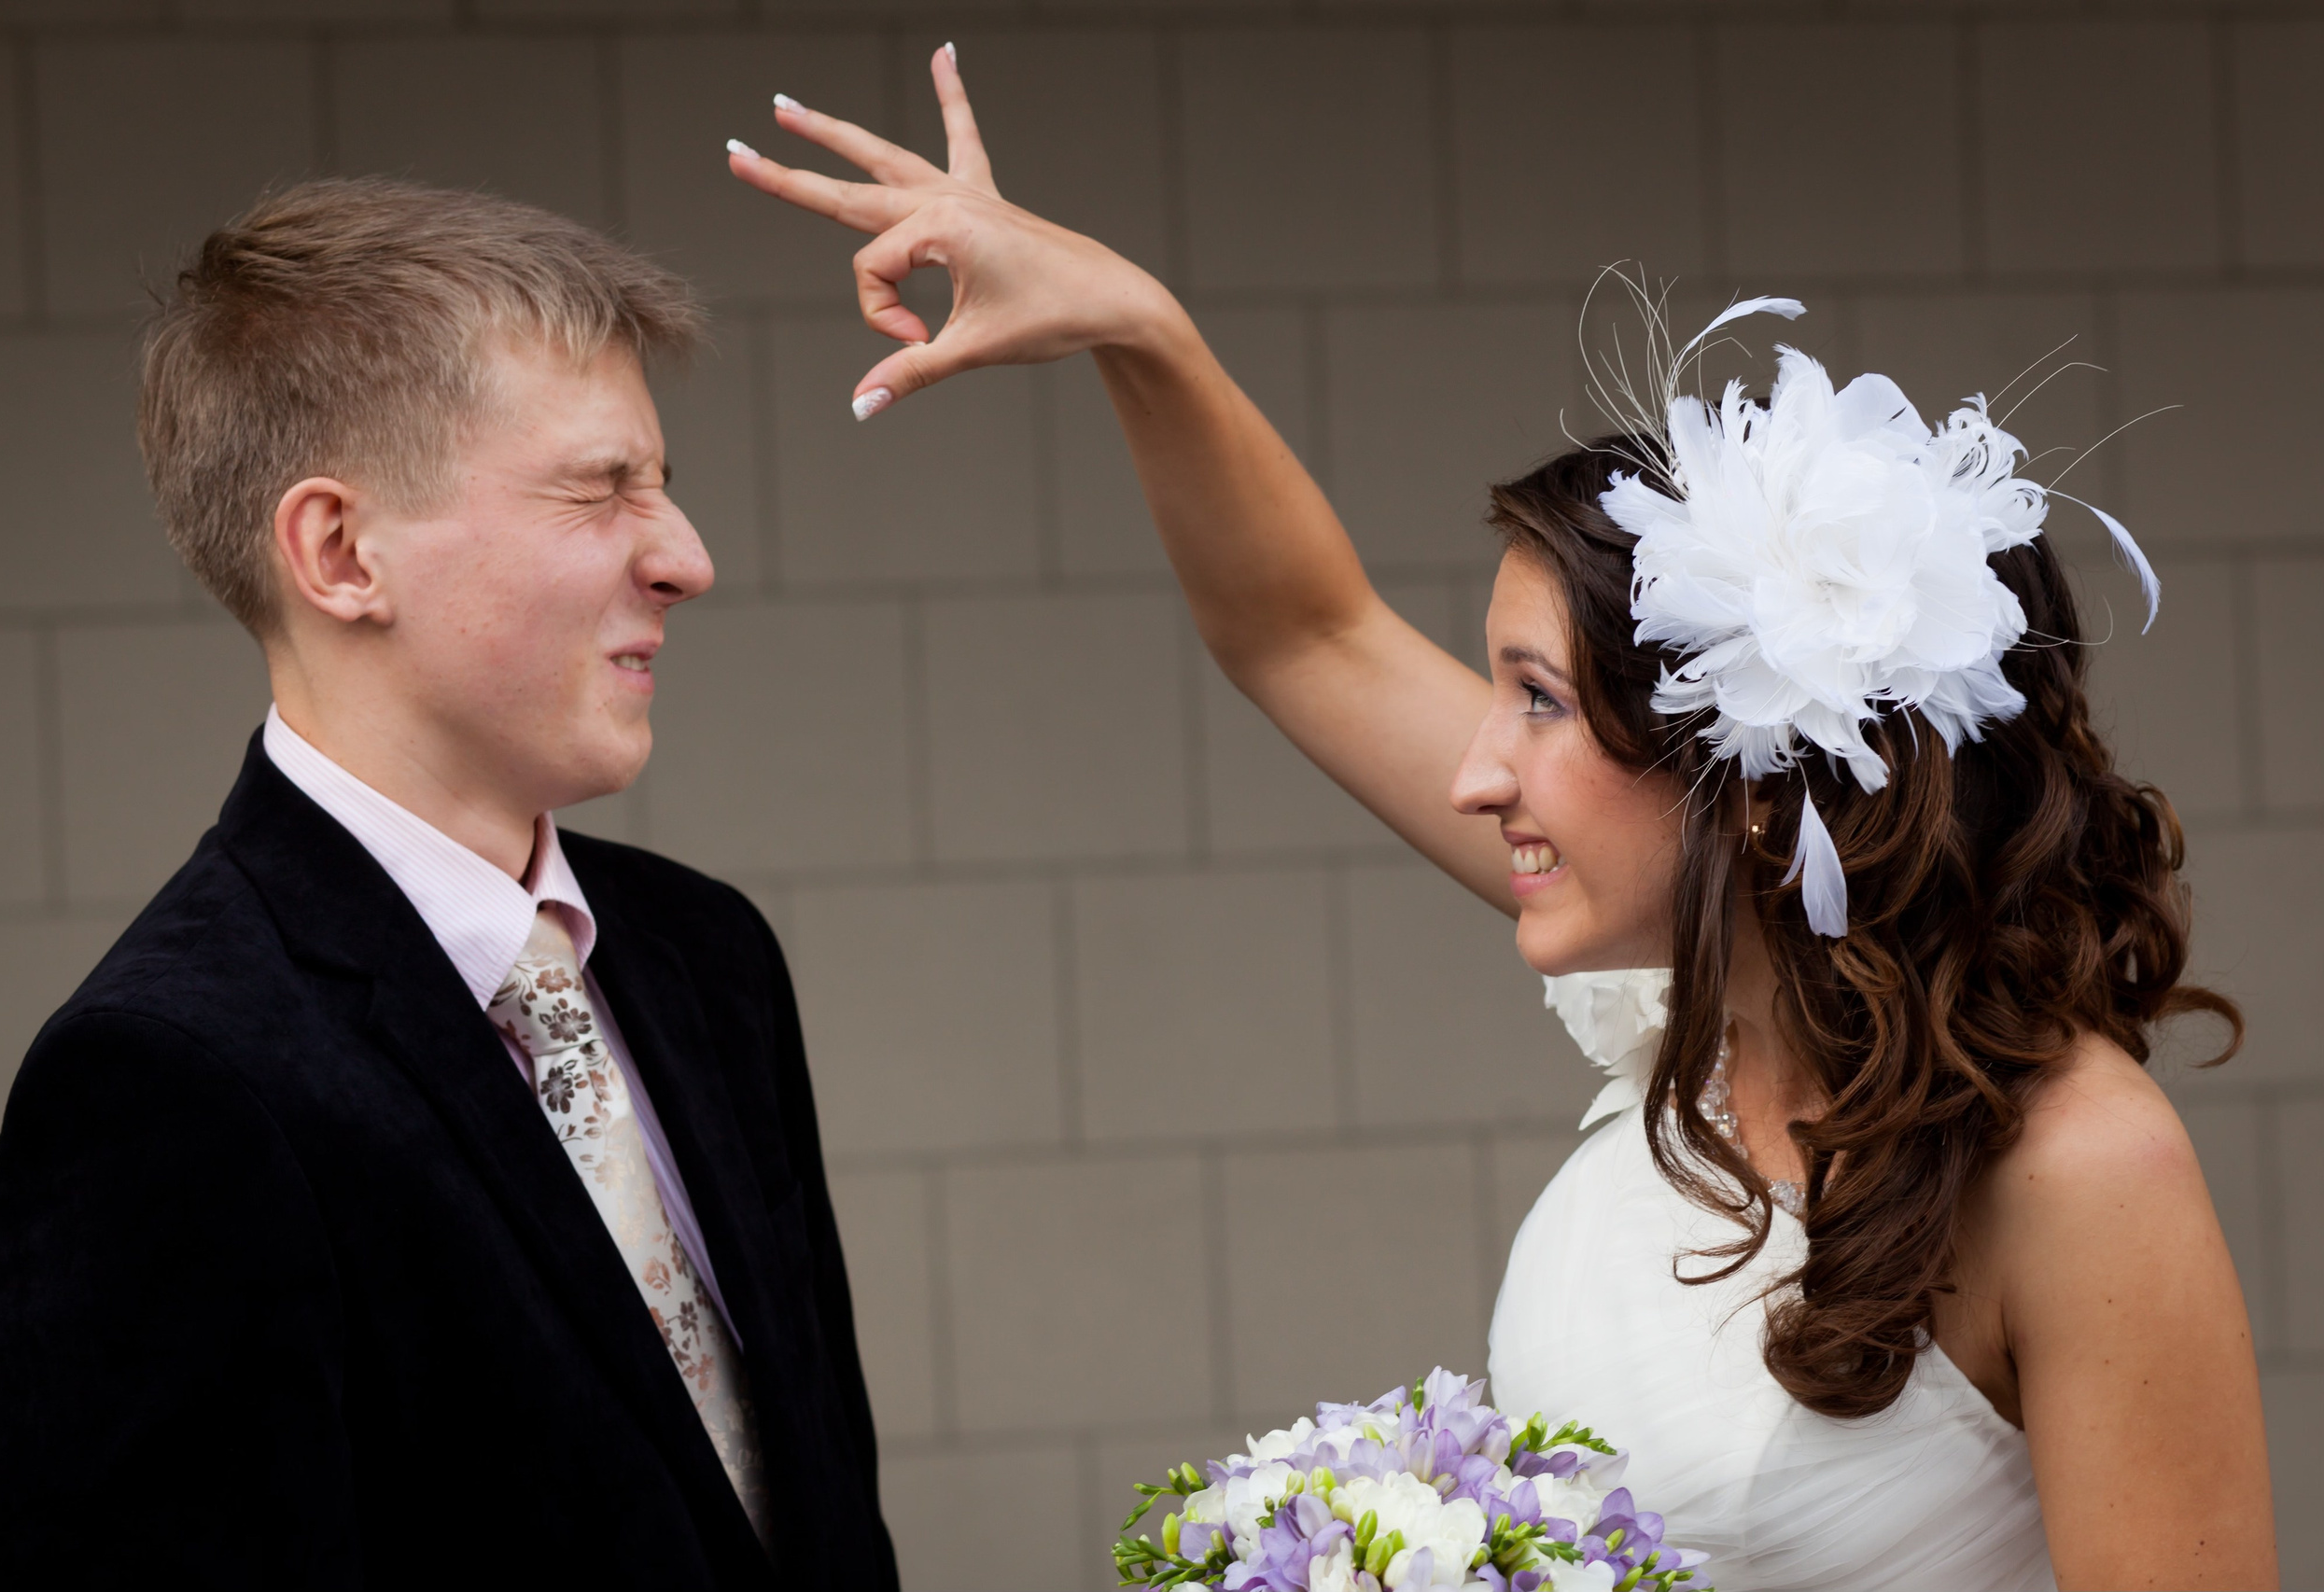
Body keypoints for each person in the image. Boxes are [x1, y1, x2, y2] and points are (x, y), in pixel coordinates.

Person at [726, 50, 2279, 1590]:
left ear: (1741, 782)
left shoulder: (2078, 1169)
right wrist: (1140, 328)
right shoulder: (1698, 997)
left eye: (1535, 697)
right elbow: (1301, 630)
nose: (1477, 771)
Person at [0, 179, 898, 1591]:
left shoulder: (708, 958)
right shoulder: (167, 1078)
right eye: (600, 489)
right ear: (341, 552)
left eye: (666, 480)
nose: (685, 556)